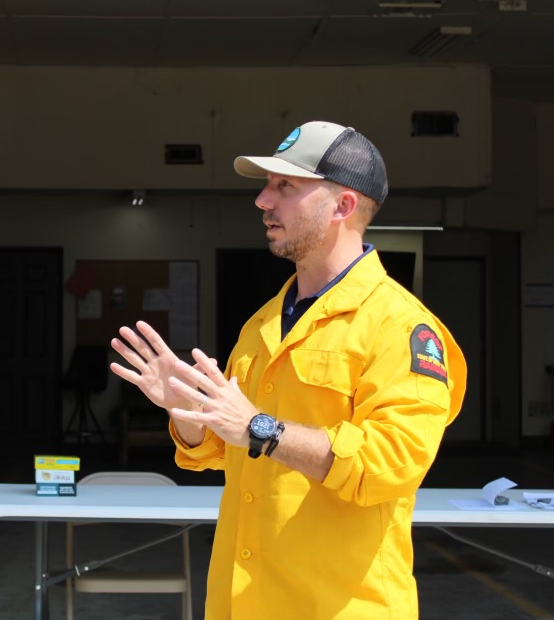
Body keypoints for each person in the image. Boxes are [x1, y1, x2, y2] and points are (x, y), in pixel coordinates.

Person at [111, 121, 466, 619]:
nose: (262, 201)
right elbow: (222, 451)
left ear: (343, 206)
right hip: (243, 602)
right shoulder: (263, 323)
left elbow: (393, 463)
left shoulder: (401, 326)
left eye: (285, 187)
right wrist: (188, 411)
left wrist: (262, 428)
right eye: (267, 186)